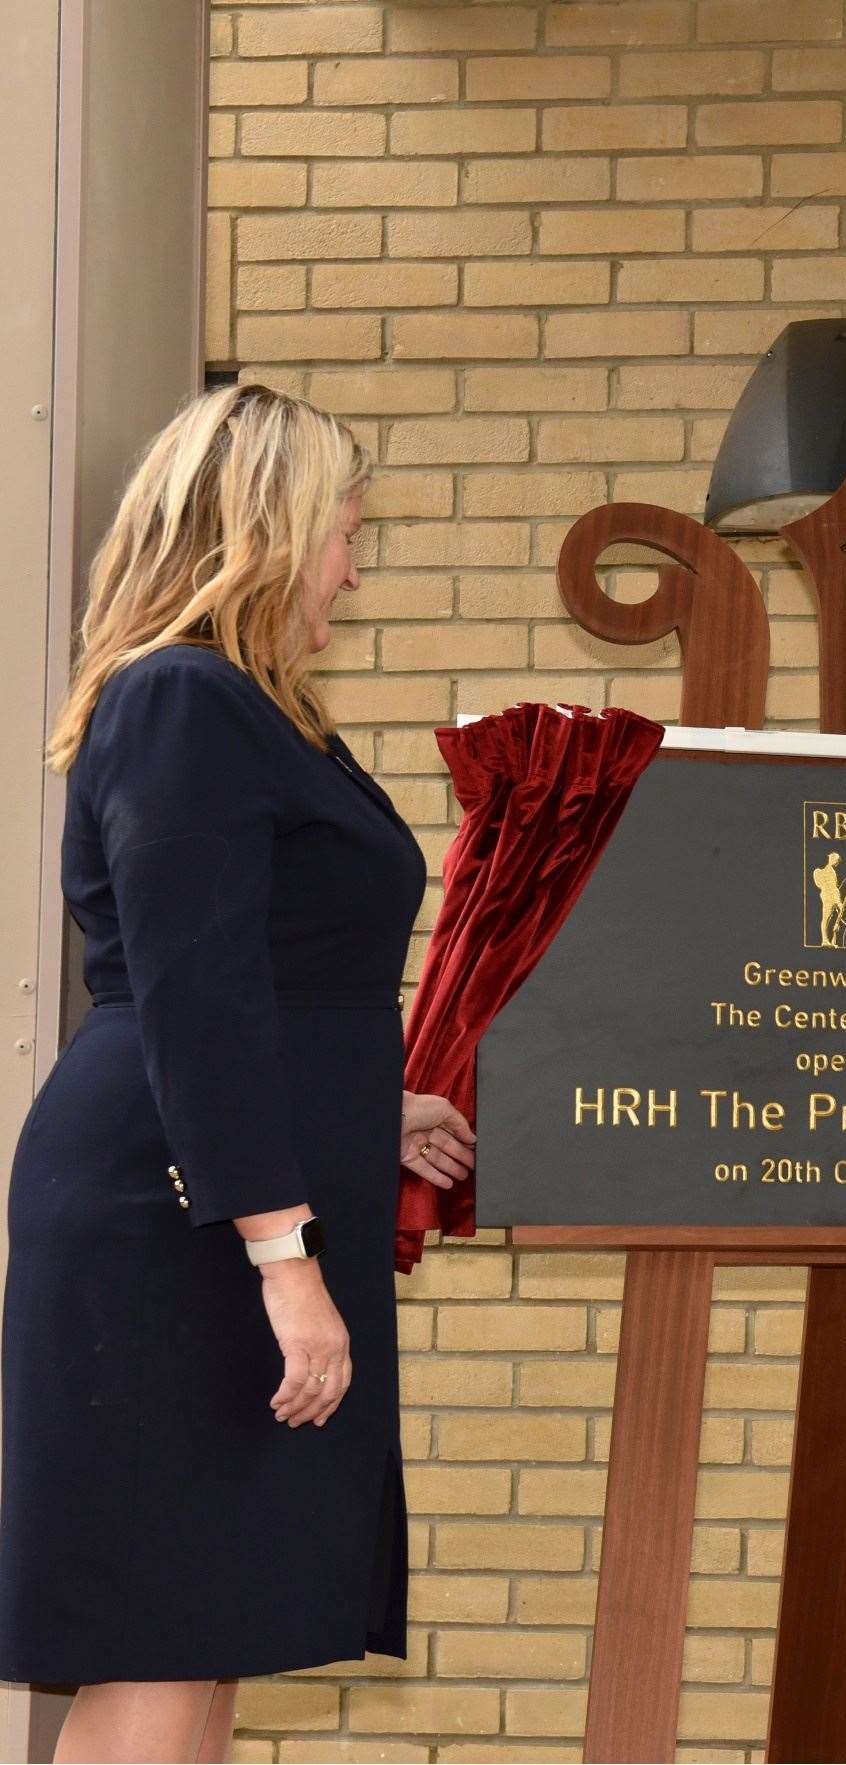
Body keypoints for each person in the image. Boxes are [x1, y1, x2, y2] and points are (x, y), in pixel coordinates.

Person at [0, 384, 477, 1762]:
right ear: (268, 531)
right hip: (179, 1228)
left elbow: (262, 972)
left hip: (221, 1194)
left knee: (208, 1638)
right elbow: (191, 991)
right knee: (161, 1636)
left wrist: (364, 1105)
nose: (354, 566)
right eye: (345, 530)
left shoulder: (253, 712)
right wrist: (287, 1257)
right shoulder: (180, 700)